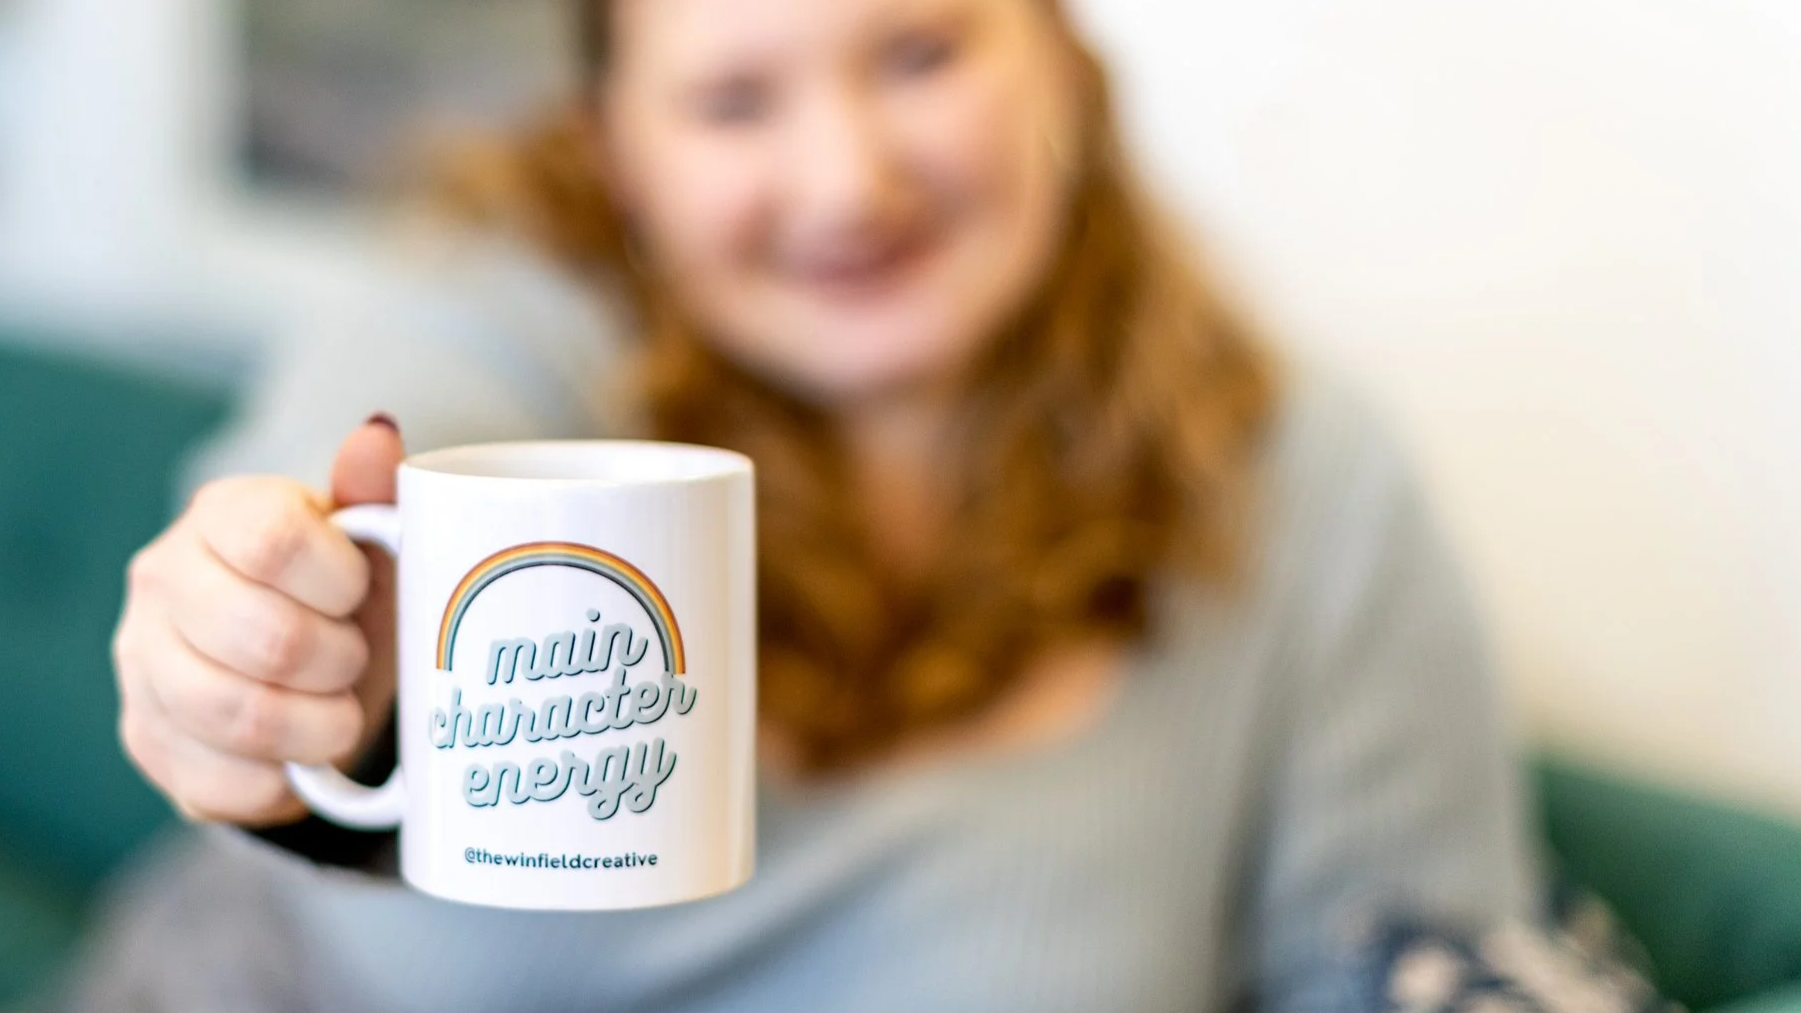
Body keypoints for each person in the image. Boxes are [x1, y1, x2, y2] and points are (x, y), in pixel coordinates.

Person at [76, 0, 1548, 1008]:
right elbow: (322, 488)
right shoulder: (502, 332)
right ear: (617, 153)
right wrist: (279, 667)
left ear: (1062, 59)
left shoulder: (1299, 485)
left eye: (917, 51)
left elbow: (1411, 956)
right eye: (732, 101)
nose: (848, 180)